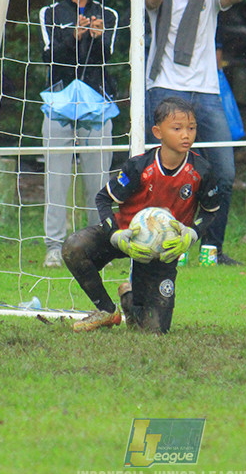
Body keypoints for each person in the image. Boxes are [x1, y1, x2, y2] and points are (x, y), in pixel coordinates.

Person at [63, 97, 220, 334]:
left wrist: (192, 234)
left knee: (154, 331)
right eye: (177, 129)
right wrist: (115, 234)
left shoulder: (202, 171)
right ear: (158, 132)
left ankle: (129, 296)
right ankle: (106, 310)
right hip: (126, 236)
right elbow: (103, 199)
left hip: (162, 251)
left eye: (191, 128)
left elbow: (211, 211)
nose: (186, 135)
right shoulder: (139, 167)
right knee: (74, 247)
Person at [144, 0, 246, 266]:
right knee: (165, 173)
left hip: (206, 92)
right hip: (165, 87)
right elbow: (151, 2)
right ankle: (162, 245)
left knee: (223, 172)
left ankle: (211, 250)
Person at [38, 0, 120, 268]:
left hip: (97, 103)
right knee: (56, 176)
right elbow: (49, 57)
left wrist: (96, 38)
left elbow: (108, 56)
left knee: (98, 179)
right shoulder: (50, 14)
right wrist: (74, 36)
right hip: (59, 103)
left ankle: (97, 243)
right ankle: (54, 246)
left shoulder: (108, 15)